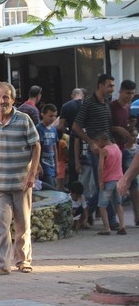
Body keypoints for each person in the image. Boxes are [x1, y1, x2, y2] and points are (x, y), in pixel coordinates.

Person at [0, 82, 40, 276]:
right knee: (1, 223)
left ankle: (23, 260)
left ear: (13, 99)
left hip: (21, 182)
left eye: (5, 97)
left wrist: (32, 174)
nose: (1, 101)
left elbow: (36, 146)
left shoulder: (24, 120)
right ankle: (2, 264)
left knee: (23, 224)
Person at [72, 74, 119, 230]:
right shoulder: (88, 103)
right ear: (100, 85)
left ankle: (87, 210)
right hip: (96, 151)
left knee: (108, 185)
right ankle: (111, 220)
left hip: (109, 151)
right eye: (110, 85)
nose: (112, 88)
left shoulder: (106, 104)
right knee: (103, 186)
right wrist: (91, 142)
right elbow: (76, 127)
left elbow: (107, 128)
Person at [109, 80, 139, 226]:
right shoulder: (112, 107)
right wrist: (117, 129)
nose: (130, 96)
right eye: (128, 93)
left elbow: (126, 126)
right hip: (113, 151)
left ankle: (137, 216)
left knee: (133, 182)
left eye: (133, 93)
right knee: (112, 184)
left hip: (125, 149)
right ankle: (112, 218)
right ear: (120, 92)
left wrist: (130, 133)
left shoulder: (128, 108)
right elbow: (106, 127)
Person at [94, 131, 126, 236]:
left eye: (97, 142)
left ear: (101, 141)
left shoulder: (104, 151)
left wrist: (100, 181)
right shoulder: (116, 147)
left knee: (102, 205)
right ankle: (122, 226)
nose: (97, 145)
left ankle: (107, 228)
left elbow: (100, 168)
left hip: (108, 181)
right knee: (118, 204)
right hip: (119, 179)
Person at [59, 88, 87, 183]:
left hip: (73, 136)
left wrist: (67, 132)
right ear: (82, 95)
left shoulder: (66, 106)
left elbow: (60, 126)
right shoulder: (87, 105)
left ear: (72, 95)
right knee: (87, 163)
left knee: (73, 163)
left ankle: (73, 188)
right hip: (87, 138)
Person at [36, 104, 59, 189]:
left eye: (55, 116)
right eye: (50, 116)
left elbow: (55, 148)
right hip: (44, 166)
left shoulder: (53, 129)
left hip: (52, 165)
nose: (53, 118)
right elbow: (35, 148)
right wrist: (38, 165)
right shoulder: (39, 128)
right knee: (50, 189)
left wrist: (57, 166)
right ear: (43, 114)